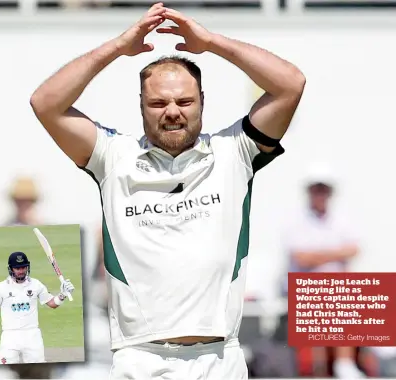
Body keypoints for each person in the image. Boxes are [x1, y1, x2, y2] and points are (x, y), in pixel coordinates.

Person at [30, 3, 305, 379]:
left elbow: (290, 84)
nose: (172, 111)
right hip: (139, 359)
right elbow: (45, 103)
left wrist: (210, 42)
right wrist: (118, 46)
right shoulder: (112, 157)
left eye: (184, 101)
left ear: (202, 103)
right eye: (158, 102)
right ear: (141, 107)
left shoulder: (234, 152)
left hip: (221, 358)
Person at [280, 163, 364, 378]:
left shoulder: (341, 219)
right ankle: (338, 365)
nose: (320, 194)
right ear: (309, 191)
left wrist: (319, 256)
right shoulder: (296, 220)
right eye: (317, 189)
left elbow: (354, 250)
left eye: (324, 189)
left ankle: (348, 363)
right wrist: (335, 254)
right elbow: (301, 258)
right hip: (304, 289)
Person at [0, 251, 75, 364]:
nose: (21, 271)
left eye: (23, 267)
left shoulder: (36, 284)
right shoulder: (1, 287)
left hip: (32, 335)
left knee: (37, 372)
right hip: (10, 336)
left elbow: (52, 303)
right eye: (17, 268)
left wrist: (62, 294)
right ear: (11, 269)